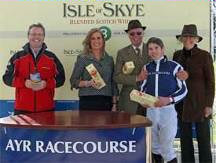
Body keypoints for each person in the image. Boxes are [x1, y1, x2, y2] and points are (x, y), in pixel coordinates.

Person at [141, 37, 188, 163]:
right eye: (150, 49)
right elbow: (143, 88)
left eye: (156, 48)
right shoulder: (146, 68)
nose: (153, 51)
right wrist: (142, 99)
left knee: (167, 148)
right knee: (154, 147)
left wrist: (169, 99)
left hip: (167, 111)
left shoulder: (174, 66)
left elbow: (183, 90)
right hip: (151, 111)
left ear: (162, 49)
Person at [173, 24, 215, 163]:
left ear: (196, 39)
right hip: (182, 104)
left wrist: (209, 105)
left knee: (203, 142)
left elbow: (210, 82)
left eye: (191, 37)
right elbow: (173, 78)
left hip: (200, 104)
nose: (188, 39)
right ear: (182, 39)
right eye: (186, 36)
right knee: (185, 143)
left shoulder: (205, 56)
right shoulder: (177, 55)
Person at [2, 23, 65, 115]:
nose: (36, 37)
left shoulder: (51, 58)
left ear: (43, 37)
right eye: (33, 34)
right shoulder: (18, 57)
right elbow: (6, 78)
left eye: (40, 34)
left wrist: (46, 84)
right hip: (22, 109)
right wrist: (24, 83)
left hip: (46, 109)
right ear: (28, 36)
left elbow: (61, 79)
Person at [70, 28, 118, 111]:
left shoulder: (109, 59)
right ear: (89, 41)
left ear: (103, 40)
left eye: (99, 38)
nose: (96, 41)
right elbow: (73, 81)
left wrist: (114, 104)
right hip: (88, 101)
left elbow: (113, 83)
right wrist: (88, 83)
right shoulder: (82, 58)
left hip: (106, 101)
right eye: (93, 38)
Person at [114, 19, 150, 114]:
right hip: (129, 100)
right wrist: (137, 78)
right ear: (128, 35)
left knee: (149, 128)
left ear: (143, 33)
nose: (135, 36)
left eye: (138, 33)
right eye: (132, 34)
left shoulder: (152, 49)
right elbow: (117, 77)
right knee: (130, 128)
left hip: (150, 98)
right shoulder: (122, 53)